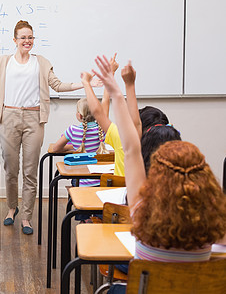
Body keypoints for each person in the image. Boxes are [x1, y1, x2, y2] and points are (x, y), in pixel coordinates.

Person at [0, 20, 102, 234]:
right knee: (11, 168)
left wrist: (86, 84)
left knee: (30, 171)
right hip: (9, 117)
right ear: (14, 40)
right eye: (23, 37)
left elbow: (59, 85)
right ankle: (12, 208)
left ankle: (27, 217)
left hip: (34, 118)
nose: (27, 41)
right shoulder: (3, 62)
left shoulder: (41, 62)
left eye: (30, 37)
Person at [92, 55, 226, 294]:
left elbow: (132, 148)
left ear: (158, 172)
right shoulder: (215, 221)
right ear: (205, 178)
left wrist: (117, 88)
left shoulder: (142, 210)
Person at [83, 59, 141, 177]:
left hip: (121, 192)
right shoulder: (161, 148)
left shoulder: (124, 139)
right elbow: (136, 124)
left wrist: (87, 82)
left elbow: (100, 112)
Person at [53, 97, 108, 187]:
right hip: (101, 182)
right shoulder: (102, 129)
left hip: (81, 183)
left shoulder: (73, 130)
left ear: (80, 115)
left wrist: (72, 147)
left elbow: (56, 148)